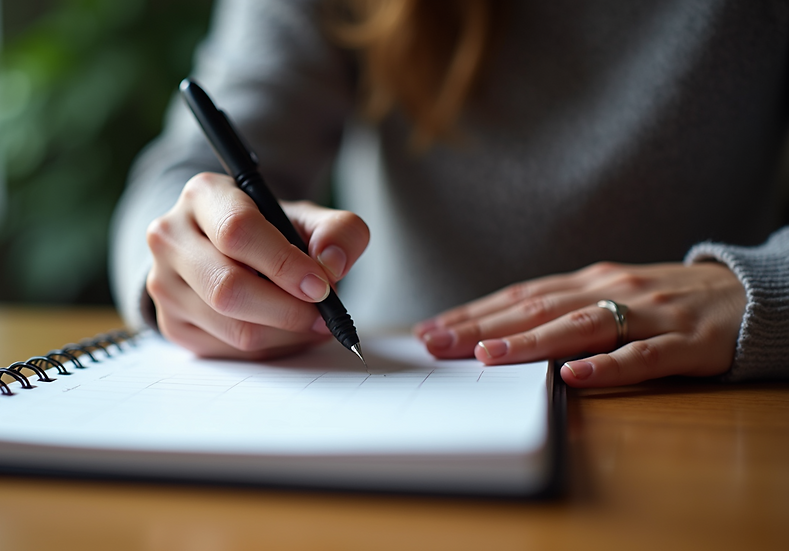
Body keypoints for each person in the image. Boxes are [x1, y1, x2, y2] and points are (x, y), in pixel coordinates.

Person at [110, 0, 789, 387]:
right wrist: (192, 264)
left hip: (703, 392)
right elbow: (186, 172)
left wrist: (755, 287)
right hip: (392, 367)